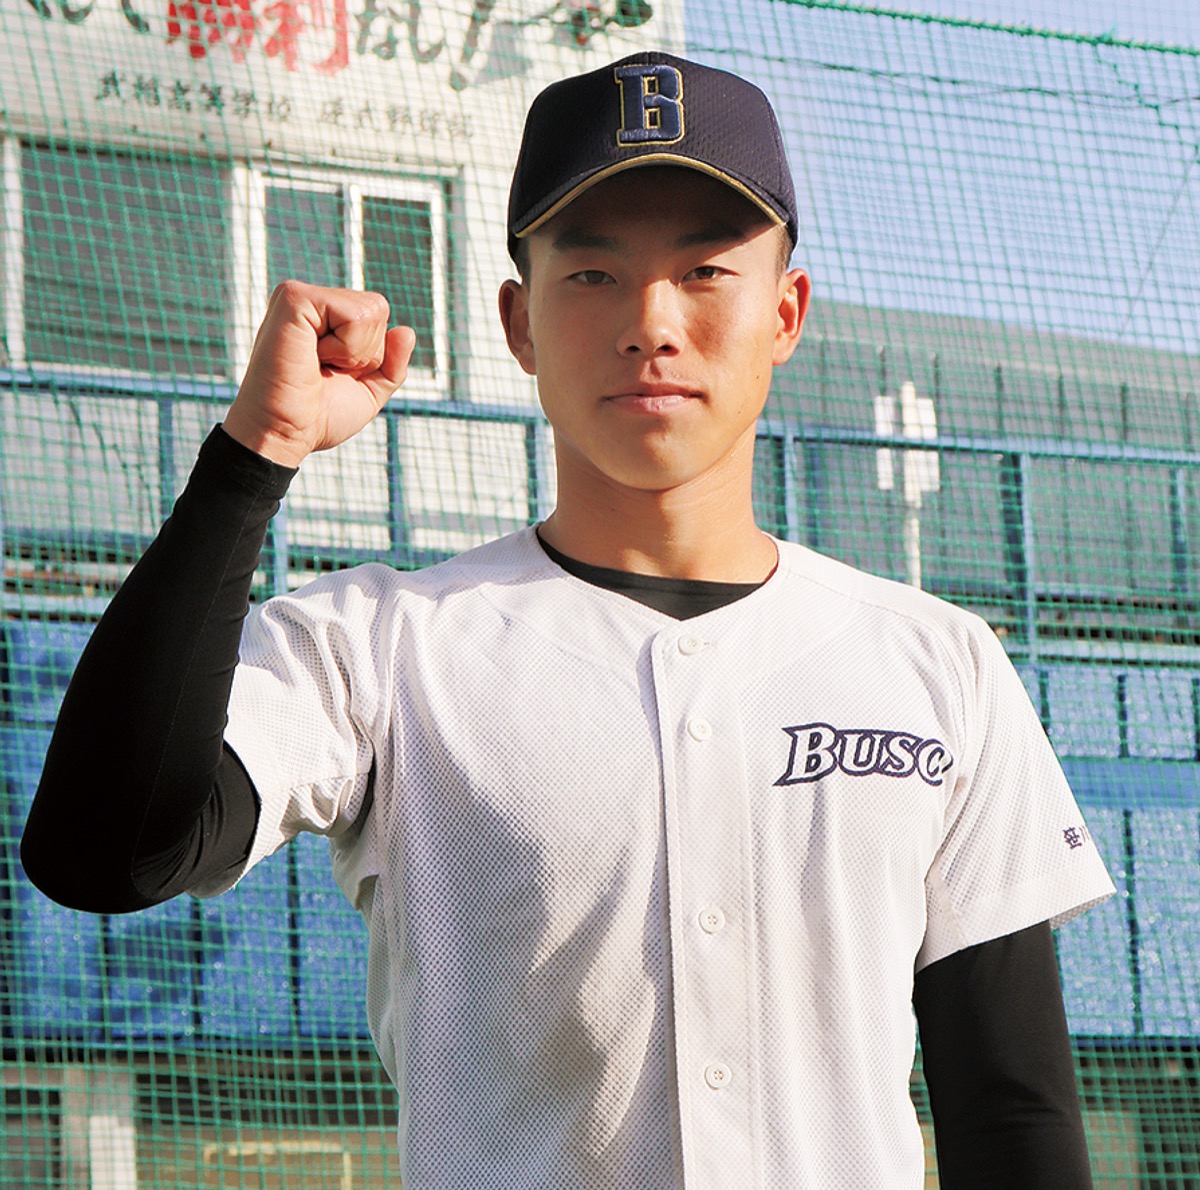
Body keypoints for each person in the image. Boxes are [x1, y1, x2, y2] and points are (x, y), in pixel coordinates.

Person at [23, 50, 1114, 1189]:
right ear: (520, 322)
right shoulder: (381, 644)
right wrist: (255, 456)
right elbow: (104, 851)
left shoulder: (937, 661)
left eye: (705, 271)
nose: (651, 323)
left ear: (786, 312)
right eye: (593, 272)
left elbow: (1013, 1112)